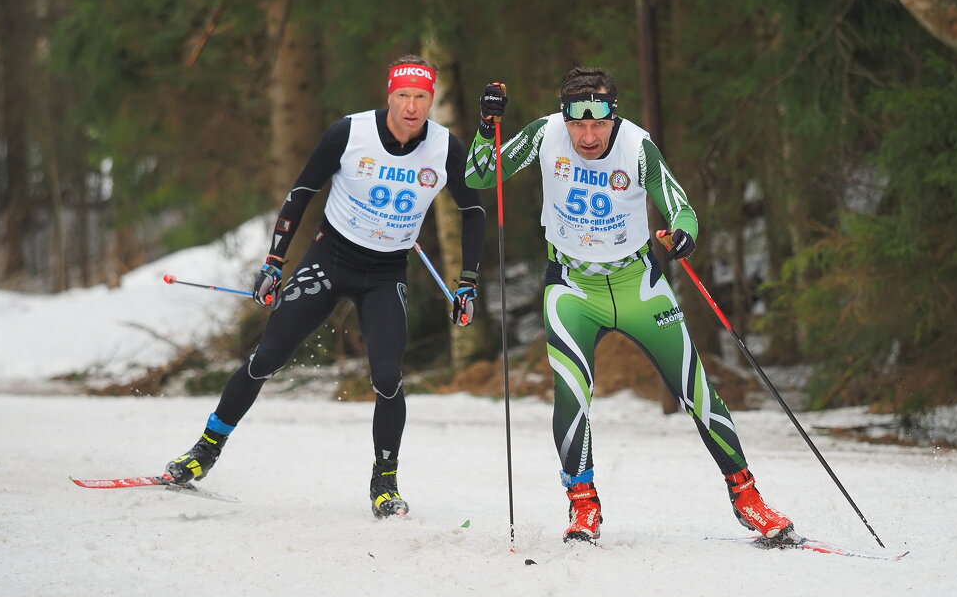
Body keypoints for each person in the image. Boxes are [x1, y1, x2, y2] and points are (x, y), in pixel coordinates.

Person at [464, 68, 794, 543]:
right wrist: (484, 126)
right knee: (571, 395)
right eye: (578, 124)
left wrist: (685, 235)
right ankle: (583, 506)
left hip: (638, 285)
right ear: (565, 117)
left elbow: (681, 208)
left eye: (598, 124)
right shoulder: (545, 134)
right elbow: (480, 174)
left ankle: (748, 499)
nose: (589, 136)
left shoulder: (637, 146)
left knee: (695, 391)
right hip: (573, 289)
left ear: (612, 116)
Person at [166, 55, 485, 518]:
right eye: (403, 96)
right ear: (388, 96)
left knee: (387, 378)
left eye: (421, 98)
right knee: (266, 358)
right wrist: (274, 263)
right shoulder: (348, 133)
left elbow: (472, 212)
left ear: (431, 100)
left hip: (386, 272)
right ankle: (205, 450)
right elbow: (301, 192)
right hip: (330, 259)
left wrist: (468, 283)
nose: (412, 107)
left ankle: (385, 483)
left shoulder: (445, 147)